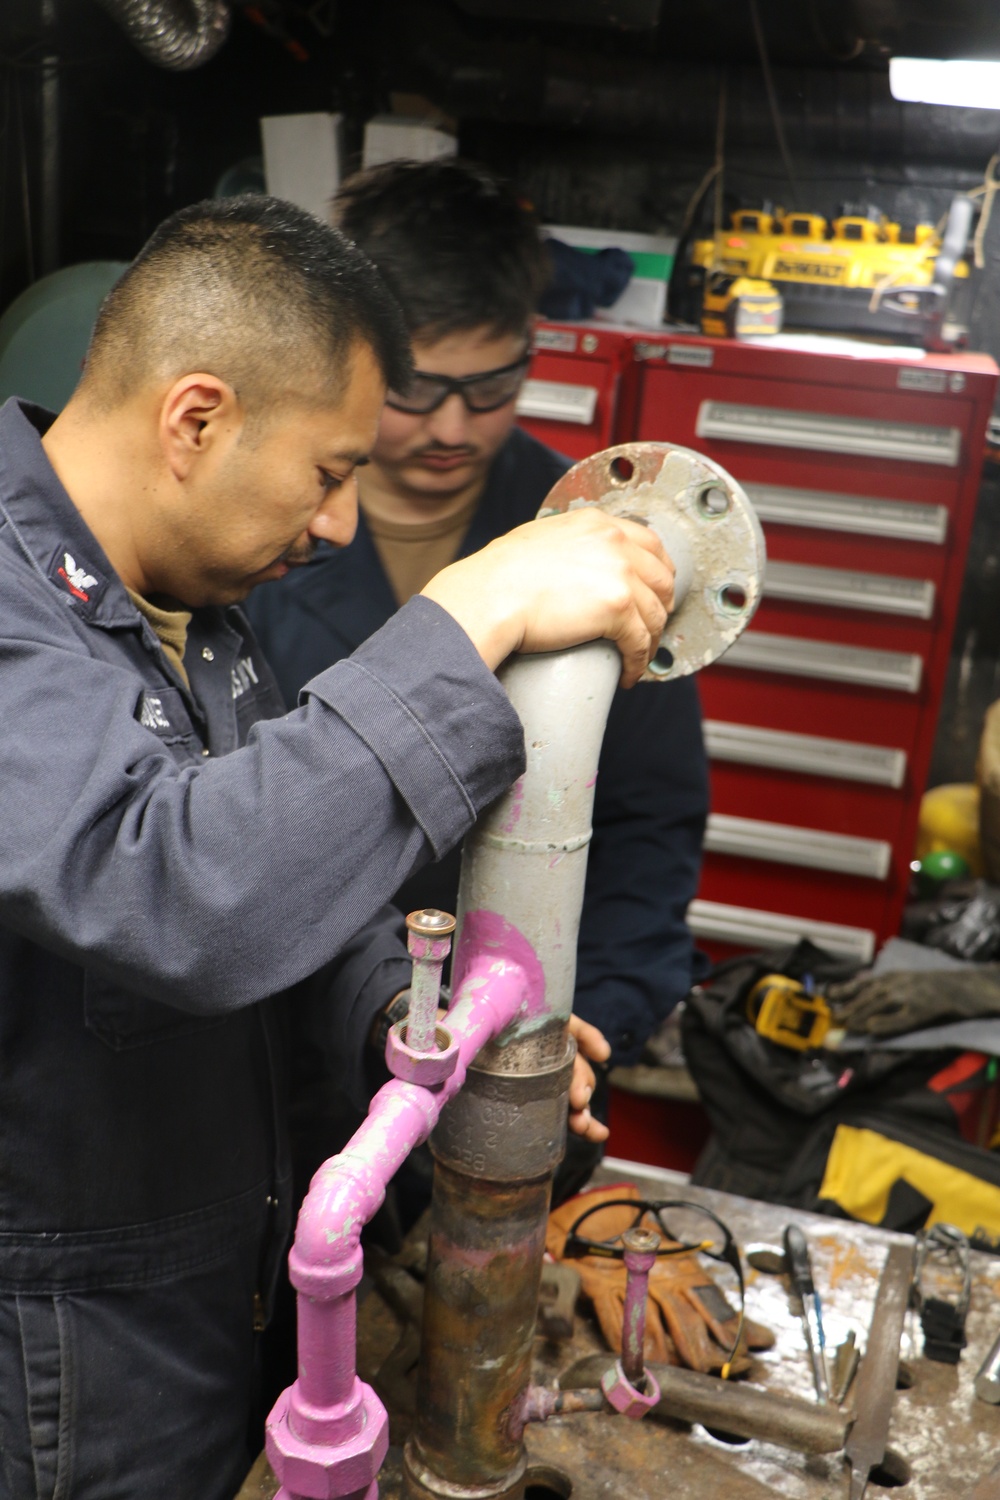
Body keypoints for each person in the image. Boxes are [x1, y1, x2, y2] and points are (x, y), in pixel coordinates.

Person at [0, 193, 674, 1499]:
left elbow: (272, 889)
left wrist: (409, 1019)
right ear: (197, 419)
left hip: (219, 1304)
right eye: (329, 471)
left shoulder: (193, 608)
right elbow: (175, 888)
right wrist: (476, 607)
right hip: (68, 1362)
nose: (340, 528)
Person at [249, 159, 709, 1075]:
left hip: (518, 1051)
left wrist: (580, 1034)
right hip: (277, 1046)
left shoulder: (589, 538)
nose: (453, 428)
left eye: (492, 387)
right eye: (417, 389)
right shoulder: (258, 529)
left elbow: (648, 823)